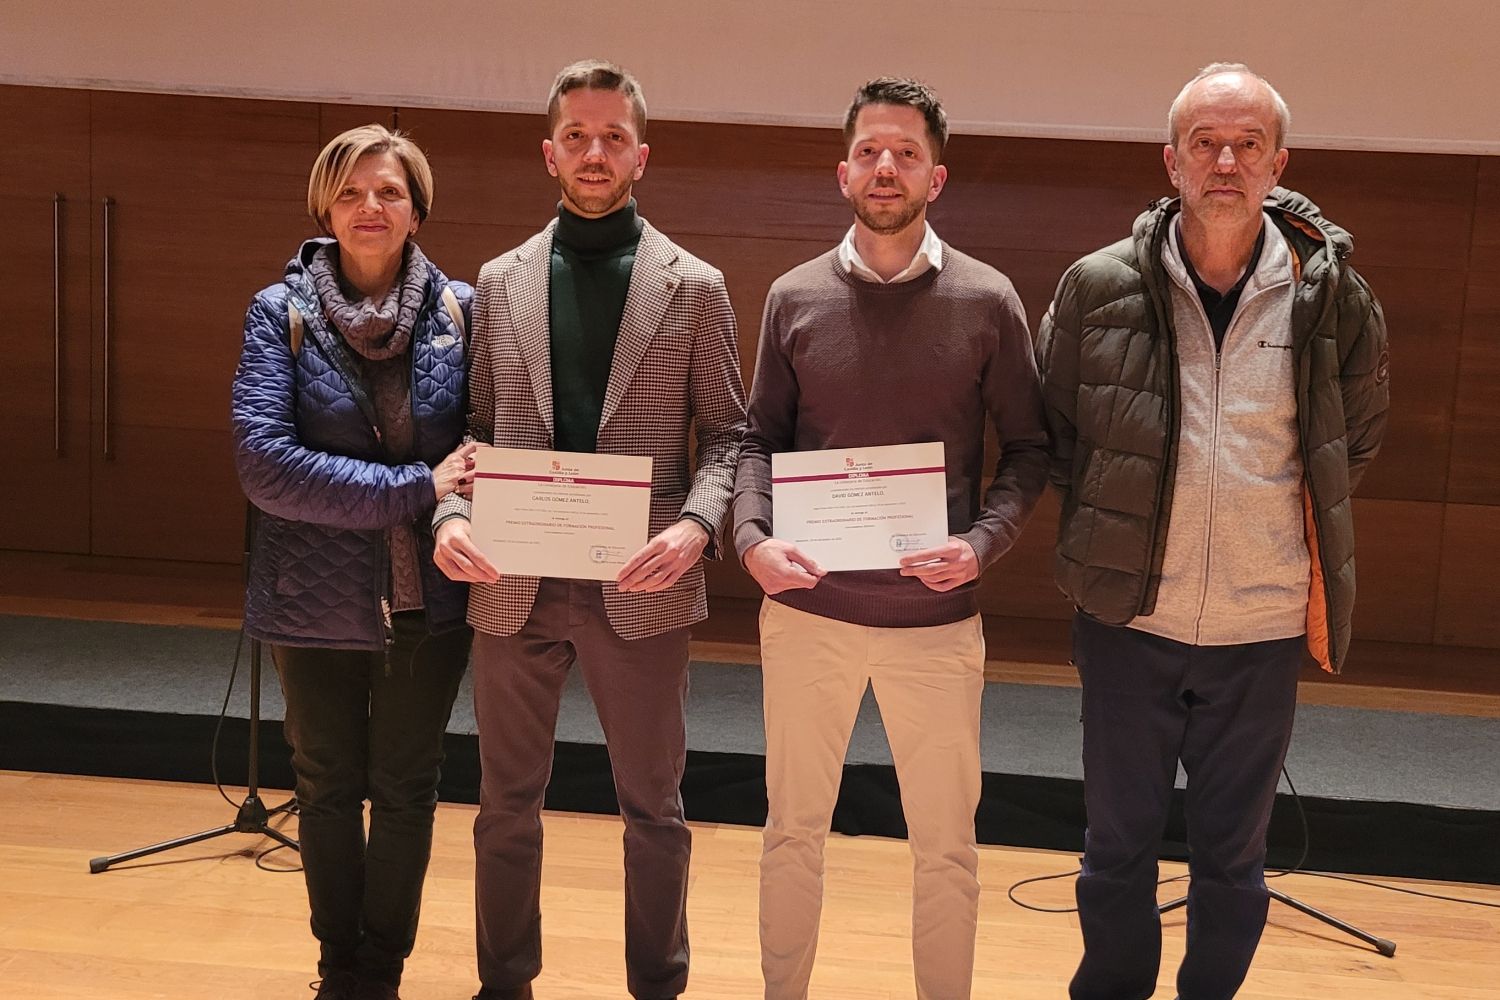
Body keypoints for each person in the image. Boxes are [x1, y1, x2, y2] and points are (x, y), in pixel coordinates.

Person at [1034, 63, 1390, 1000]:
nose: (1224, 161)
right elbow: (1062, 433)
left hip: (1260, 626)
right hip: (1126, 623)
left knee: (1234, 858)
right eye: (1204, 142)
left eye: (1244, 144)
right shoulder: (1097, 285)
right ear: (1171, 160)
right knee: (1115, 848)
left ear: (1279, 162)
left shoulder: (1335, 300)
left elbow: (1351, 446)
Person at [431, 60, 747, 1000]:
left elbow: (732, 435)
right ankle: (505, 985)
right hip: (512, 581)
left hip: (643, 585)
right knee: (503, 809)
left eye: (613, 137)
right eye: (577, 135)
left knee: (654, 809)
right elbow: (469, 437)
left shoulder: (695, 287)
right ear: (549, 153)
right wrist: (449, 513)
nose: (595, 152)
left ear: (641, 154)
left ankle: (658, 982)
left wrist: (696, 526)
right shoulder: (498, 281)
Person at [731, 78, 1050, 1000]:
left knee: (947, 848)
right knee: (792, 831)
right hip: (808, 611)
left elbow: (1030, 450)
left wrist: (982, 546)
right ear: (842, 172)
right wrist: (751, 539)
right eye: (871, 150)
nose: (886, 166)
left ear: (936, 177)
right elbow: (757, 440)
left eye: (906, 152)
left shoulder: (989, 300)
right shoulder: (792, 298)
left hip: (936, 621)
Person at [232, 124, 477, 1000]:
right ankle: (339, 969)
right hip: (311, 596)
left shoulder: (461, 313)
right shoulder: (280, 312)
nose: (369, 207)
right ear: (324, 207)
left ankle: (383, 970)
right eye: (350, 192)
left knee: (408, 788)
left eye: (389, 192)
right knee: (327, 785)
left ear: (417, 208)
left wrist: (444, 498)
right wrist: (413, 486)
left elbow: (479, 455)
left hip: (431, 598)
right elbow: (264, 464)